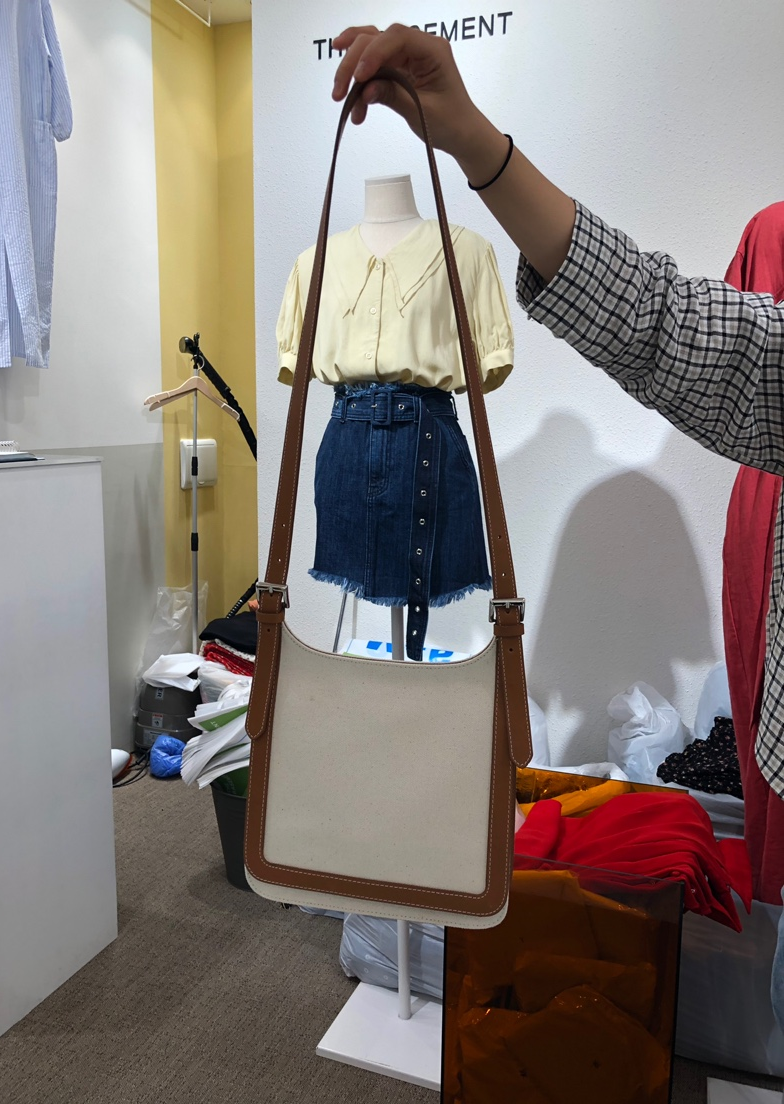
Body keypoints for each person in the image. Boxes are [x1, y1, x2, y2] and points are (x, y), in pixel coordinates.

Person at [331, 22, 784, 1044]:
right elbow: (681, 330)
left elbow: (659, 337)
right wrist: (474, 140)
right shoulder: (324, 259)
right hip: (347, 460)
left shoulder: (465, 261)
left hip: (436, 458)